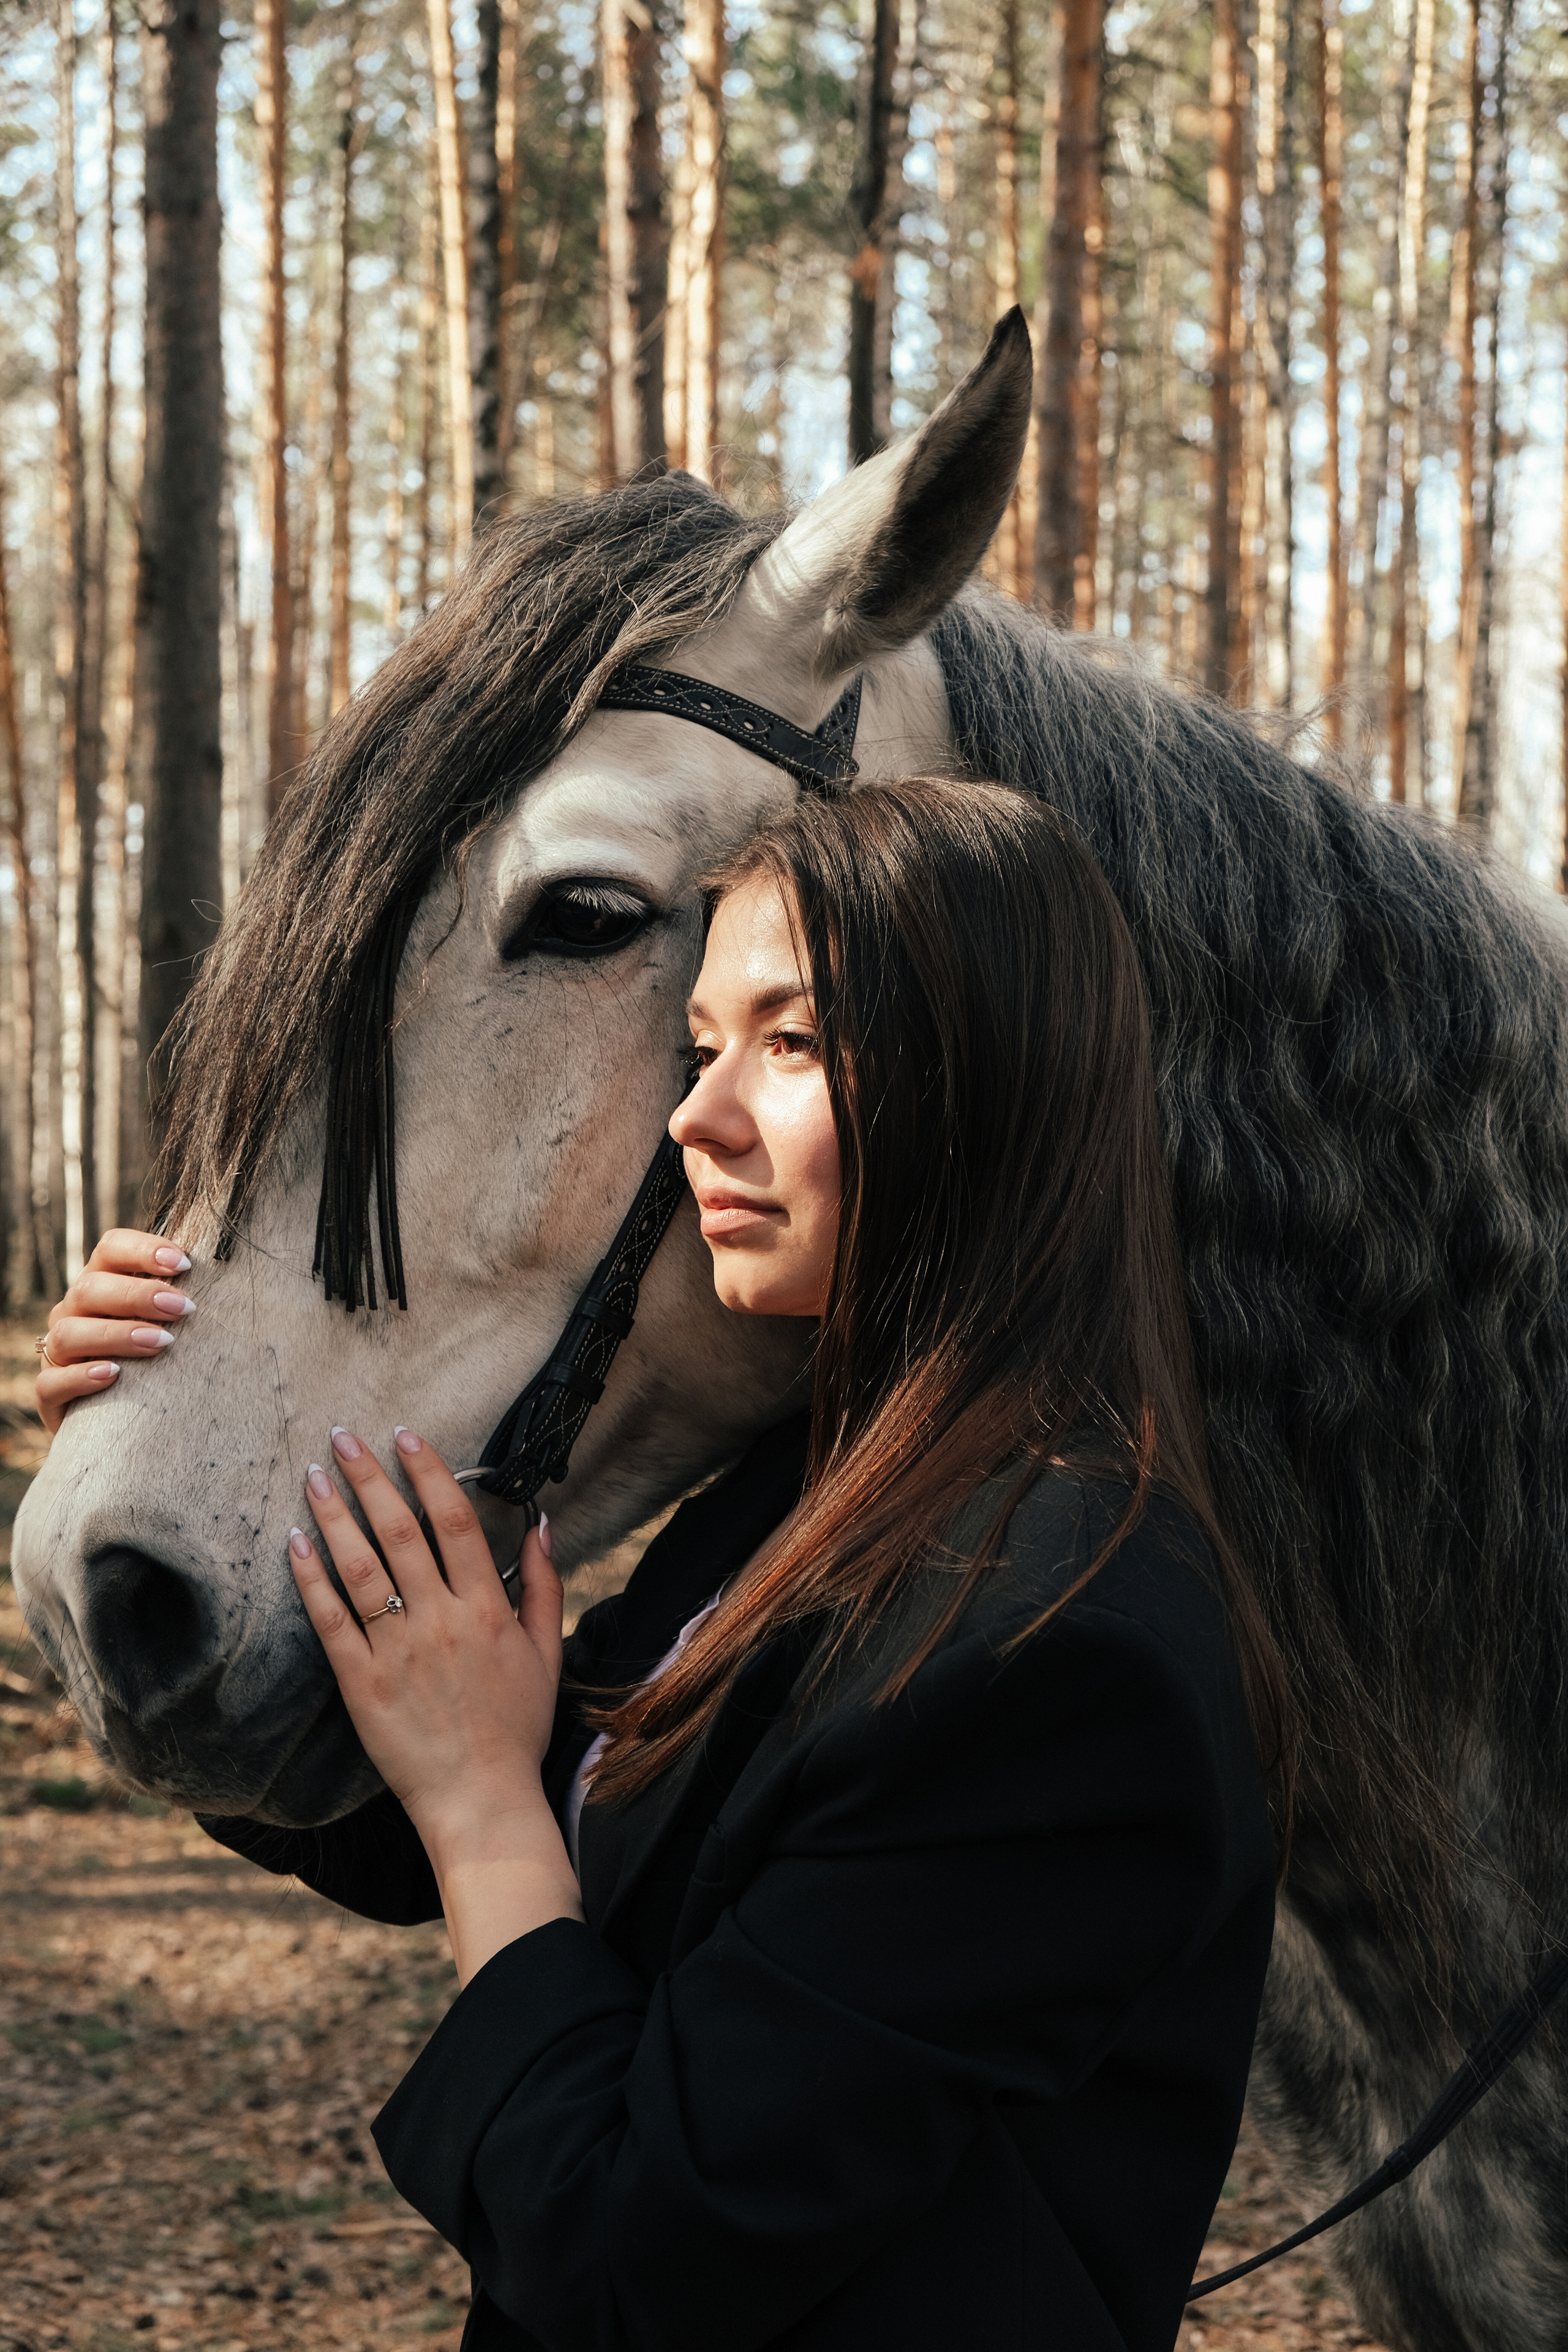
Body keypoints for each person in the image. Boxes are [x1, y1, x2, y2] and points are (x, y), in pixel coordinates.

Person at [39, 777, 1289, 2352]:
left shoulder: (1056, 1642)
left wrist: (486, 1809)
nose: (693, 1116)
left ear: (997, 1084)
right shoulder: (812, 1490)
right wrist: (166, 1489)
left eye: (794, 1043)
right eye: (700, 1047)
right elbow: (528, 1794)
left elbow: (634, 2250)